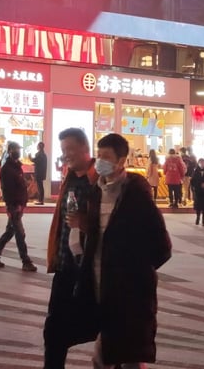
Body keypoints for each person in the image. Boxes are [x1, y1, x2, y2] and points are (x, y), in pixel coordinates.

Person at [76, 133, 171, 369]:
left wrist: (136, 272)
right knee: (114, 354)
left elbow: (162, 246)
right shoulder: (96, 193)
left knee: (125, 357)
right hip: (101, 287)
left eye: (106, 157)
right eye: (99, 156)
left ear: (121, 161)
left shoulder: (136, 195)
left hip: (130, 293)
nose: (100, 162)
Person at [42, 128, 97, 369]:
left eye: (70, 150)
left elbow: (115, 221)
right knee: (53, 330)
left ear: (85, 149)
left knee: (101, 328)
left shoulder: (100, 180)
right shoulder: (69, 178)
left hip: (91, 271)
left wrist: (84, 223)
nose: (66, 156)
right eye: (63, 151)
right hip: (66, 266)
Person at [0, 141, 37, 272]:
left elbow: (19, 186)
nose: (18, 152)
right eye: (15, 149)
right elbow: (7, 190)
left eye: (19, 149)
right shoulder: (7, 169)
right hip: (14, 206)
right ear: (9, 151)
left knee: (10, 231)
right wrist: (11, 206)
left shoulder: (16, 167)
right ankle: (25, 261)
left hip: (19, 204)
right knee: (20, 233)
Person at [190, 158, 204, 226]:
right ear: (198, 163)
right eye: (200, 163)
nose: (201, 164)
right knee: (198, 206)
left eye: (203, 162)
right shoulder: (196, 170)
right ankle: (198, 218)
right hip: (198, 191)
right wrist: (197, 186)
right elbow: (192, 181)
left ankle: (203, 220)